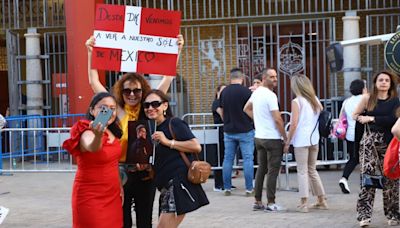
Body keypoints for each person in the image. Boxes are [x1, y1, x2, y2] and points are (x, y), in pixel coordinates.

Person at [86, 35, 184, 228]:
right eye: (127, 91)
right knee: (122, 220)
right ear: (120, 92)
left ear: (143, 91)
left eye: (136, 91)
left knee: (144, 219)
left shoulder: (149, 109)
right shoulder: (114, 110)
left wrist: (177, 51)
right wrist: (90, 53)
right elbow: (93, 82)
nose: (132, 94)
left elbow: (167, 79)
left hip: (145, 173)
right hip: (118, 172)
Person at [143, 89, 209, 228]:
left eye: (155, 104)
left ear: (165, 106)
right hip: (165, 187)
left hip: (178, 184)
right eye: (146, 105)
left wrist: (168, 142)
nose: (150, 108)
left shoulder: (174, 123)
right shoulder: (150, 128)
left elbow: (196, 146)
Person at [63, 92, 123, 228]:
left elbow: (114, 162)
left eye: (113, 108)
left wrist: (119, 185)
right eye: (103, 108)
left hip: (113, 196)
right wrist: (97, 135)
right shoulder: (85, 130)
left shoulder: (112, 130)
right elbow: (92, 147)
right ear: (92, 110)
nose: (109, 112)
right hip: (90, 196)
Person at [352, 70, 400, 227]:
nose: (384, 82)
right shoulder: (368, 98)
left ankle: (393, 215)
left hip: (389, 143)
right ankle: (364, 216)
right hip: (369, 143)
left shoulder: (395, 101)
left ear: (390, 83)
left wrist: (371, 118)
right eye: (381, 80)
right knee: (368, 179)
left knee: (392, 180)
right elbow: (355, 114)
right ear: (375, 83)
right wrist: (361, 118)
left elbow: (393, 119)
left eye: (387, 80)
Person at [243, 68, 288, 212]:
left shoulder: (256, 93)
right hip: (272, 138)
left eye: (275, 76)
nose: (275, 79)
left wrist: (259, 121)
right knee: (273, 171)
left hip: (259, 137)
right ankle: (271, 202)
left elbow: (246, 109)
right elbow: (277, 119)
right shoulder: (270, 95)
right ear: (263, 78)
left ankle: (257, 201)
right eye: (271, 77)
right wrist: (285, 137)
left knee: (261, 169)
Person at [284, 74, 328, 213]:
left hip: (301, 140)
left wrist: (288, 141)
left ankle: (304, 203)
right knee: (312, 170)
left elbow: (294, 123)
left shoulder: (297, 101)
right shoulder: (315, 100)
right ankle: (321, 200)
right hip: (314, 139)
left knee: (302, 171)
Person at [218, 68, 255, 196]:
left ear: (230, 77)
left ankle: (227, 188)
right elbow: (251, 108)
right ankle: (249, 189)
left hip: (228, 130)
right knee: (248, 159)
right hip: (245, 129)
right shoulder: (246, 92)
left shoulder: (224, 92)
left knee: (227, 159)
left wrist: (226, 121)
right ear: (242, 78)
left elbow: (221, 109)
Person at [338, 79, 367, 194]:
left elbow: (341, 117)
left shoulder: (347, 102)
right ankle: (365, 183)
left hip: (350, 135)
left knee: (354, 158)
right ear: (362, 88)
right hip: (364, 133)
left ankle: (344, 178)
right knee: (366, 159)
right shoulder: (365, 99)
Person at [211, 83, 226, 191]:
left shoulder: (224, 103)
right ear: (218, 92)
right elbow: (222, 115)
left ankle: (225, 182)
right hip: (219, 132)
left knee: (225, 158)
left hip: (224, 132)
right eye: (222, 91)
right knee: (219, 158)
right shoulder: (217, 103)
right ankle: (218, 184)